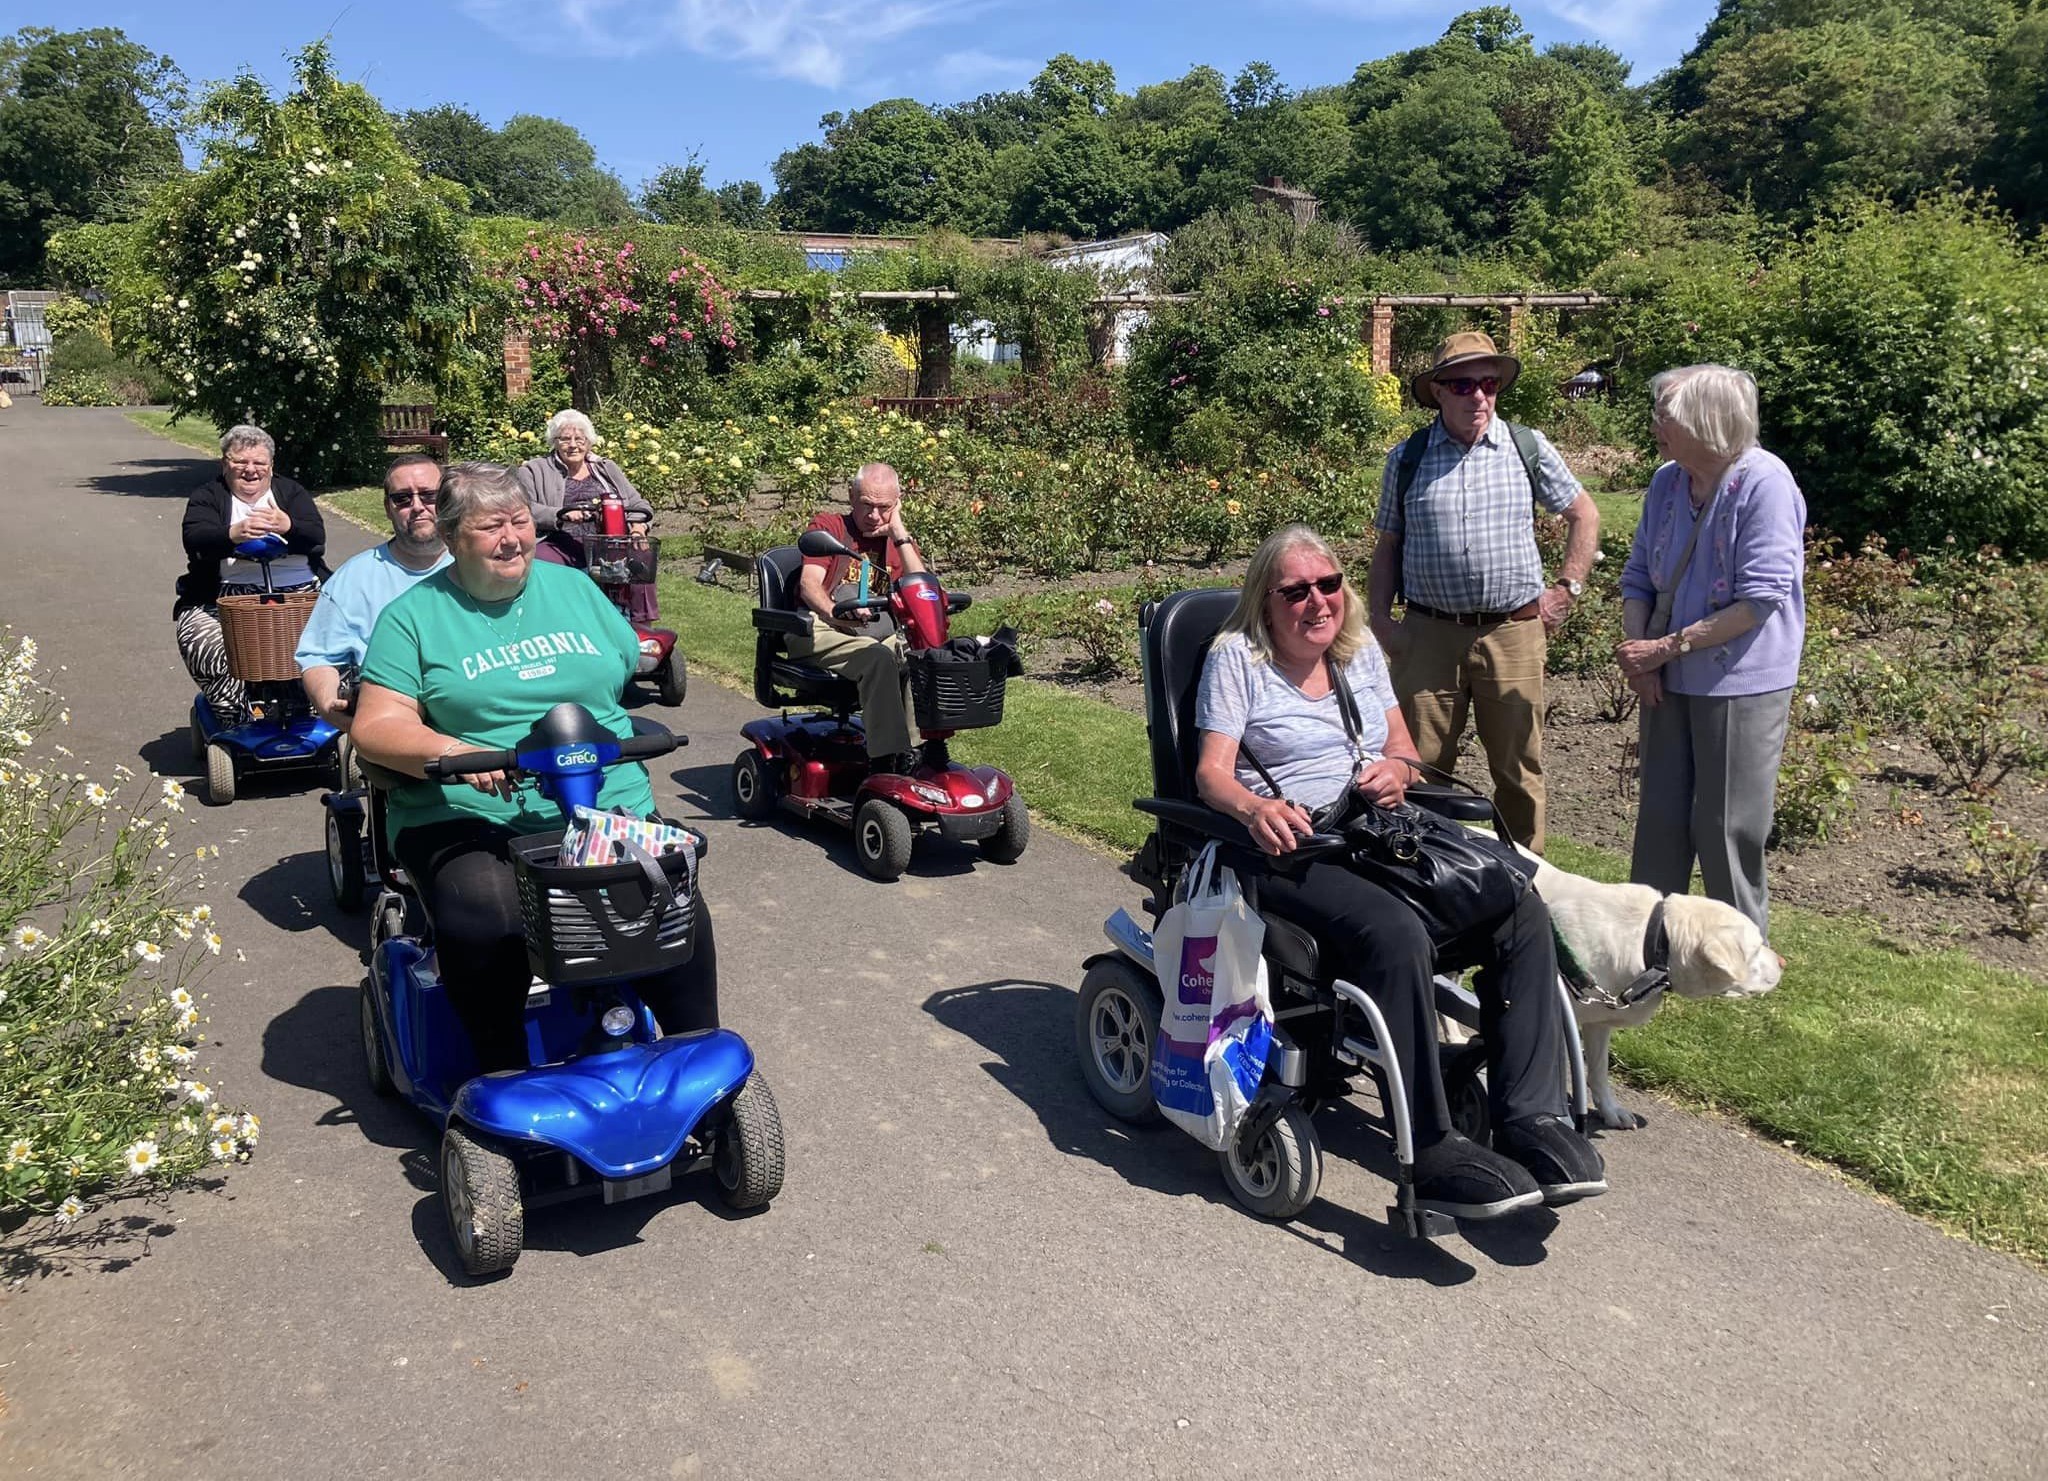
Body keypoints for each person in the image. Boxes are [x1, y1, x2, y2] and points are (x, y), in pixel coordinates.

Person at [1197, 524, 1605, 1219]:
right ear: (1268, 600)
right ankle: (1433, 1148)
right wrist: (1255, 806)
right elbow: (1210, 772)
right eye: (1297, 590)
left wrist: (1395, 770)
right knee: (1395, 935)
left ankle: (1530, 1117)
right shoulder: (1237, 657)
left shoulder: (1356, 652)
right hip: (1291, 847)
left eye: (1329, 584)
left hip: (1377, 831)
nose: (1318, 602)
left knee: (1515, 901)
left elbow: (1403, 748)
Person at [350, 463, 718, 1072]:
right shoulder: (414, 617)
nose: (511, 538)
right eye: (490, 527)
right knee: (489, 917)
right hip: (468, 810)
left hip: (601, 797)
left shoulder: (572, 587)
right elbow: (376, 725)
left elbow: (625, 666)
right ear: (449, 537)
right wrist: (451, 751)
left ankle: (694, 1061)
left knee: (671, 905)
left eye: (518, 521)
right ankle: (503, 1073)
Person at [1368, 332, 1600, 854]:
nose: (1478, 396)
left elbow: (1583, 512)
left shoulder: (1526, 447)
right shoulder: (1408, 458)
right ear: (1439, 392)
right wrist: (1381, 620)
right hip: (1428, 635)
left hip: (1513, 632)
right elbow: (1389, 543)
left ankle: (1527, 884)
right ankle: (1421, 869)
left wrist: (1568, 587)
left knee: (1518, 769)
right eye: (1464, 383)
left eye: (1489, 383)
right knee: (1419, 768)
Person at [1615, 365, 1806, 936]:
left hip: (1740, 682)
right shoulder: (1666, 482)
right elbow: (1637, 579)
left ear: (1708, 423)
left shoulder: (1765, 482)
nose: (1655, 426)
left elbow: (1760, 599)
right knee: (1661, 822)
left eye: (1666, 418)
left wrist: (1664, 648)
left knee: (1727, 827)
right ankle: (1650, 942)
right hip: (1664, 675)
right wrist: (1639, 656)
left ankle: (1739, 951)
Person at [175, 424, 330, 727]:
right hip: (226, 596)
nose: (250, 470)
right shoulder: (208, 496)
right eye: (240, 462)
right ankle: (238, 720)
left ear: (271, 466)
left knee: (342, 639)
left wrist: (287, 525)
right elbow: (194, 538)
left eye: (259, 463)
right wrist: (232, 534)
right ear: (225, 464)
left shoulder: (291, 492)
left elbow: (316, 535)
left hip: (300, 592)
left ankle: (319, 710)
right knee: (205, 643)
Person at [295, 455, 452, 730]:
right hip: (394, 719)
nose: (417, 507)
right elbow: (317, 657)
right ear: (388, 508)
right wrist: (330, 706)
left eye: (429, 496)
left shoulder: (477, 563)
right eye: (402, 498)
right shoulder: (354, 579)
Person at [793, 463, 929, 775]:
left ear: (897, 504)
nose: (874, 516)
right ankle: (886, 761)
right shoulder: (829, 527)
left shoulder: (894, 539)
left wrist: (899, 532)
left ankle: (919, 751)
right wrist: (836, 616)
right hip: (819, 626)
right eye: (866, 505)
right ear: (851, 496)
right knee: (879, 658)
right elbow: (809, 585)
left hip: (876, 629)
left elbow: (921, 588)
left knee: (920, 656)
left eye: (884, 508)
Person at [514, 408, 659, 625]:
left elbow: (638, 503)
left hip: (608, 539)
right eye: (565, 439)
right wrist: (561, 515)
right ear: (554, 441)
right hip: (558, 539)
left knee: (641, 558)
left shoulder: (606, 468)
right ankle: (558, 623)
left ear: (588, 442)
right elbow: (524, 508)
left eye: (579, 439)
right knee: (543, 562)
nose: (573, 445)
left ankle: (639, 626)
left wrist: (638, 529)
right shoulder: (534, 470)